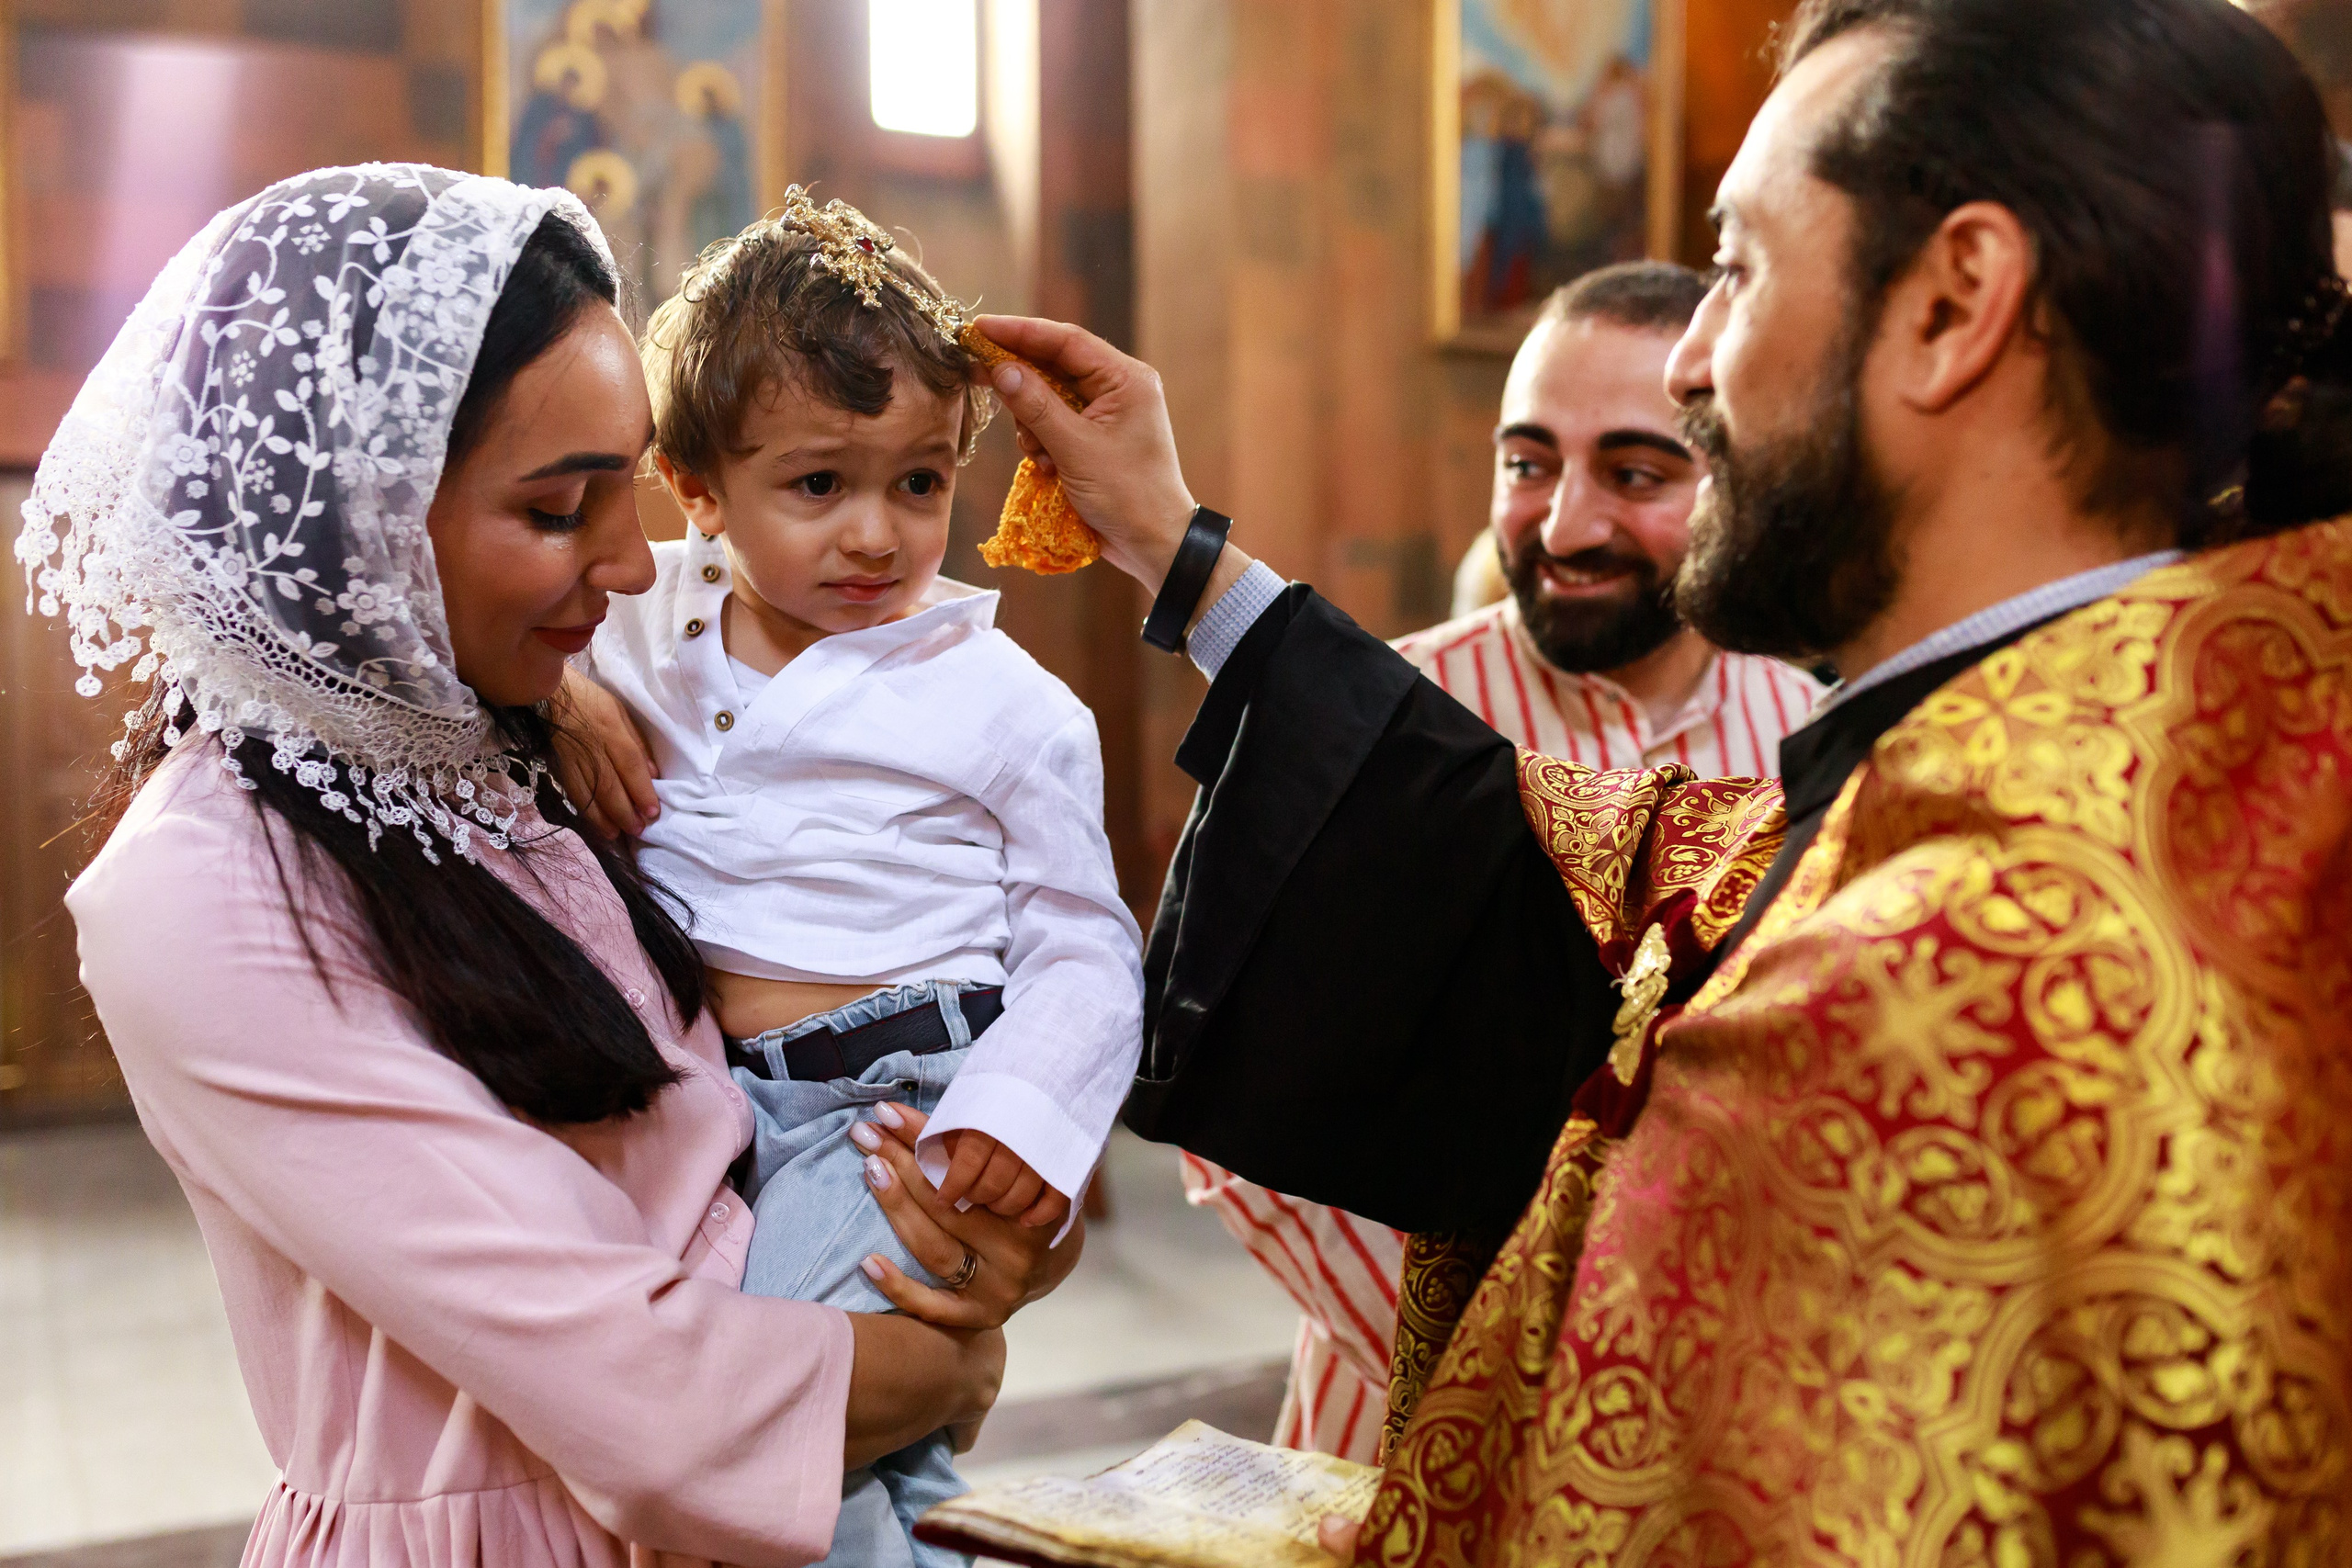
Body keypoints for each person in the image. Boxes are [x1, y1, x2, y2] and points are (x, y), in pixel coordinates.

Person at [969, 0, 2352, 1557]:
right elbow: (1608, 895)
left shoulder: (1941, 985)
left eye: (1743, 265)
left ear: (1957, 303)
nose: (1693, 358)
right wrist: (1177, 547)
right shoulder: (2209, 751)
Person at [15, 164, 1074, 1568]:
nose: (640, 571)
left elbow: (758, 1112)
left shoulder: (531, 746)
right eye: (561, 512)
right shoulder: (203, 888)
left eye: (629, 493)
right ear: (363, 523)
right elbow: (649, 1397)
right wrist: (938, 1366)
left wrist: (981, 1231)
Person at [553, 195, 1143, 1567]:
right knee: (861, 1455)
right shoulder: (638, 626)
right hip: (713, 1107)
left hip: (889, 1106)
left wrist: (1020, 1112)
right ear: (696, 488)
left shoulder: (1004, 703)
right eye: (819, 485)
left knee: (783, 1444)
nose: (878, 535)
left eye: (920, 481)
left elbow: (1083, 943)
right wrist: (561, 708)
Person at [1179, 260, 1824, 1461]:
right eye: (1527, 465)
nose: (1563, 525)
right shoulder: (1392, 714)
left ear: (1734, 470)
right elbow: (1254, 1125)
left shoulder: (1812, 741)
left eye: (1633, 473)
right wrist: (1512, 1381)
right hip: (1415, 1431)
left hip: (1712, 1441)